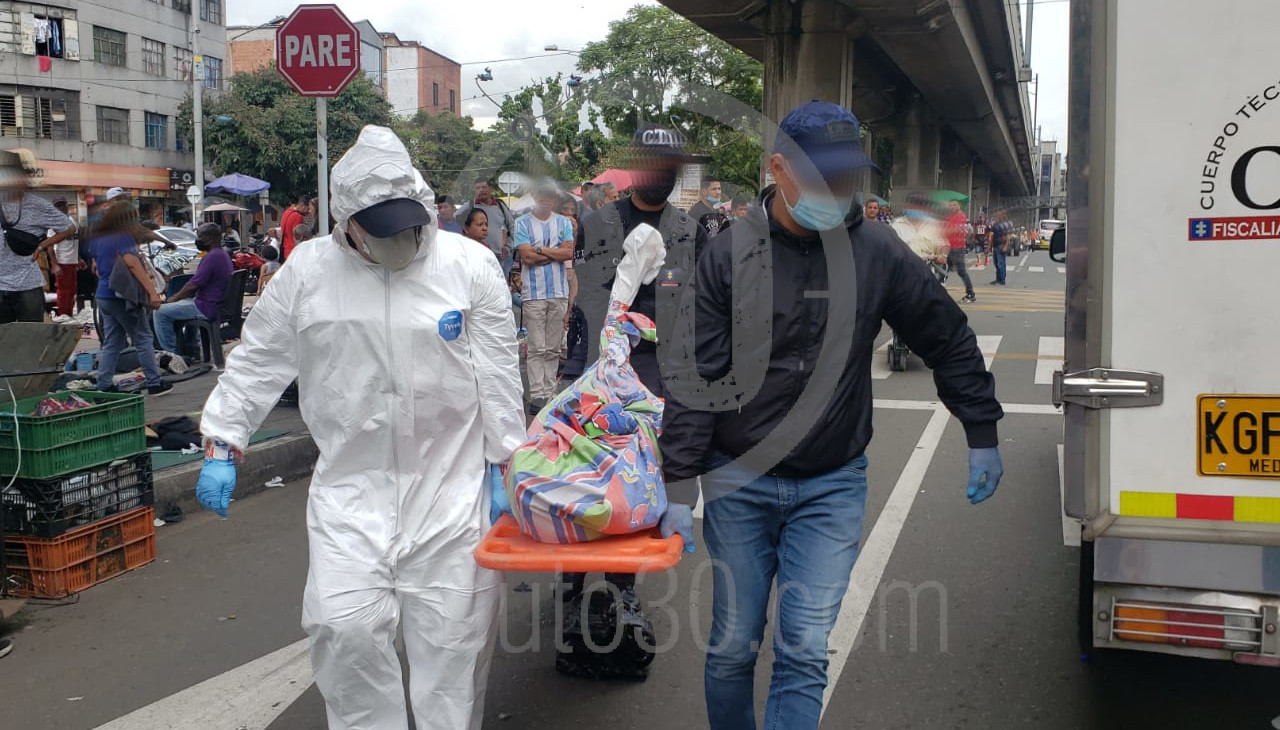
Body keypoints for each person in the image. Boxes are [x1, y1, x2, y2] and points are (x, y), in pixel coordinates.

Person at [660, 100, 1004, 730]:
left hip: (832, 484)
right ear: (780, 170)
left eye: (847, 177)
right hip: (738, 479)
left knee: (804, 649)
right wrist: (678, 482)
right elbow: (693, 375)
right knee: (735, 645)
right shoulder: (730, 254)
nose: (838, 191)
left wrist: (980, 426)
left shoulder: (879, 251)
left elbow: (946, 336)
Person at [195, 125, 524, 730]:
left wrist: (507, 461)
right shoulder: (308, 272)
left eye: (407, 222)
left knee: (452, 654)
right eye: (381, 226)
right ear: (346, 220)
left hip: (449, 493)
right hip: (351, 492)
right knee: (341, 631)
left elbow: (499, 372)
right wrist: (223, 436)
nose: (400, 238)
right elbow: (261, 356)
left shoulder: (469, 266)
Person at [572, 124, 707, 603]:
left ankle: (621, 584)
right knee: (586, 473)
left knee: (633, 483)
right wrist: (577, 376)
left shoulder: (691, 231)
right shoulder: (599, 223)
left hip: (659, 376)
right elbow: (588, 305)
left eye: (669, 167)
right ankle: (571, 581)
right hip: (602, 370)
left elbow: (698, 312)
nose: (661, 175)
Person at [90, 200, 172, 396]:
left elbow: (96, 267)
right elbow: (133, 264)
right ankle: (154, 383)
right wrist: (152, 292)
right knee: (143, 338)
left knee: (112, 342)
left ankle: (104, 384)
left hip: (104, 295)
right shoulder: (122, 236)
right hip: (121, 297)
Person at [513, 185, 575, 413]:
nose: (546, 199)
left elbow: (568, 253)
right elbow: (526, 257)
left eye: (550, 196)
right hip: (534, 294)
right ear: (535, 197)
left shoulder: (563, 223)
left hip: (559, 292)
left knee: (553, 349)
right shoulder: (522, 223)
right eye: (542, 195)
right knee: (537, 347)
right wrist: (552, 252)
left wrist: (540, 250)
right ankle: (537, 395)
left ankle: (549, 393)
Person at [0, 150, 76, 323]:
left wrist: (43, 245)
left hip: (28, 285)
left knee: (30, 339)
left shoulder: (37, 204)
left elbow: (69, 227)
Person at [153, 222, 232, 354]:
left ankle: (172, 356)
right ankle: (191, 348)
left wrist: (173, 298)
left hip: (206, 306)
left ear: (210, 238)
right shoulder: (222, 254)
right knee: (181, 305)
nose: (198, 240)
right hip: (213, 304)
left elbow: (193, 285)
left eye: (200, 236)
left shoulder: (212, 257)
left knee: (160, 312)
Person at [455, 178, 515, 271]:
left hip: (500, 257)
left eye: (484, 187)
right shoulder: (470, 205)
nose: (481, 190)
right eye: (478, 188)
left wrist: (508, 247)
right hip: (477, 255)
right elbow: (455, 222)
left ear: (490, 189)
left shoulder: (500, 206)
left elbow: (512, 227)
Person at [49, 196, 80, 319]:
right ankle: (63, 317)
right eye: (58, 206)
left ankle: (69, 316)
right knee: (63, 292)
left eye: (63, 205)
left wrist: (79, 258)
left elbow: (74, 241)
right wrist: (55, 264)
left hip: (72, 261)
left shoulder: (72, 220)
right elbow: (50, 245)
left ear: (67, 205)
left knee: (72, 292)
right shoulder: (54, 223)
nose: (61, 208)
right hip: (62, 261)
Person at [944, 199, 976, 302]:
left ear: (959, 206)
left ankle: (970, 294)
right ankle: (938, 291)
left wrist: (942, 231)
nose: (952, 207)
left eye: (954, 205)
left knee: (961, 271)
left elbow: (956, 229)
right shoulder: (950, 216)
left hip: (957, 248)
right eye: (951, 205)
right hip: (949, 247)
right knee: (942, 270)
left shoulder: (960, 216)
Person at [989, 208, 1014, 285]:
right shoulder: (996, 224)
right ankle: (998, 278)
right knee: (996, 263)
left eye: (999, 213)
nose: (997, 215)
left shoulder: (1007, 224)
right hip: (995, 245)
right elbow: (991, 235)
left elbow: (1008, 236)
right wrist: (989, 246)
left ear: (1003, 214)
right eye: (997, 213)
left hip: (1001, 245)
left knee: (1001, 263)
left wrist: (1006, 246)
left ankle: (1002, 280)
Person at [280, 196, 310, 260]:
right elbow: (298, 236)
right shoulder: (298, 217)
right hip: (294, 251)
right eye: (308, 209)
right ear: (302, 205)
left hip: (285, 250)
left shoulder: (286, 212)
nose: (309, 212)